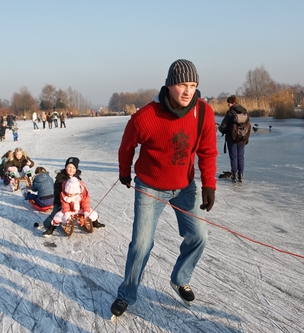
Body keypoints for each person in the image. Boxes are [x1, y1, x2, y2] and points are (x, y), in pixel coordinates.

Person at [111, 59, 218, 317]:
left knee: (199, 235)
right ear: (170, 85)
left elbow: (208, 151)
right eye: (182, 84)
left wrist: (209, 184)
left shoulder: (203, 112)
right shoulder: (146, 116)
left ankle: (180, 278)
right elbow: (127, 147)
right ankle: (126, 293)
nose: (188, 91)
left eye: (193, 85)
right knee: (141, 244)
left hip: (185, 187)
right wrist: (125, 173)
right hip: (150, 187)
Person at [42, 157, 105, 236]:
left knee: (87, 208)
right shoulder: (60, 179)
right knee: (56, 214)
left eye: (73, 168)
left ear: (76, 169)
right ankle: (49, 226)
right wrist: (62, 204)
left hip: (76, 201)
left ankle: (94, 222)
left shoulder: (77, 178)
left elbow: (82, 192)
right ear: (65, 167)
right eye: (69, 167)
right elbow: (57, 194)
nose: (71, 170)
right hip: (61, 201)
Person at [218, 95, 251, 182]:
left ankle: (234, 174)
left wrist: (220, 129)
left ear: (233, 103)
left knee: (233, 157)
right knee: (241, 156)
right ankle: (241, 175)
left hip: (231, 138)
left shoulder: (230, 113)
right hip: (242, 138)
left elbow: (223, 126)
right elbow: (247, 124)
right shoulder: (244, 111)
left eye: (229, 103)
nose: (228, 105)